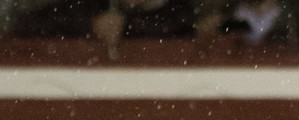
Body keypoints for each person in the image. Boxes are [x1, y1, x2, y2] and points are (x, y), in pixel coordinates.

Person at [12, 0, 194, 42]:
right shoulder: (90, 6)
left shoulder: (180, 10)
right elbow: (25, 25)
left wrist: (129, 25)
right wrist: (90, 25)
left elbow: (176, 27)